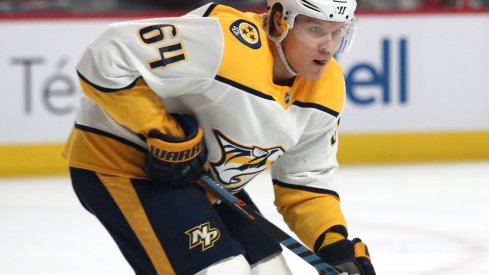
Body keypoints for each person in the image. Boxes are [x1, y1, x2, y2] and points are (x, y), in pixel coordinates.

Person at [63, 0, 376, 274]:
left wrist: (332, 242)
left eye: (338, 32)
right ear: (281, 21)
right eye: (316, 30)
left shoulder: (328, 84)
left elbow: (304, 179)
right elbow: (107, 53)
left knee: (271, 272)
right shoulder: (230, 43)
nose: (328, 46)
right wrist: (160, 128)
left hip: (201, 181)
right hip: (122, 163)